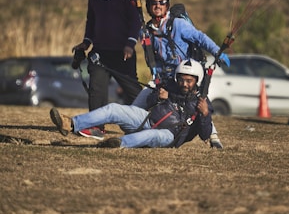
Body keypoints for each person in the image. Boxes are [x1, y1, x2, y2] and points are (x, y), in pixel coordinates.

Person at [132, 0, 230, 148]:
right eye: (153, 3)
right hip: (162, 78)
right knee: (136, 107)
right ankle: (136, 131)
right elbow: (151, 56)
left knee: (198, 103)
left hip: (183, 77)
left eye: (161, 3)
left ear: (167, 5)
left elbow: (200, 38)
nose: (158, 6)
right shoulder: (146, 30)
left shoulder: (178, 24)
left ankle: (213, 137)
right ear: (148, 7)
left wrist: (217, 52)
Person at [50, 59, 213, 149]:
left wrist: (205, 114)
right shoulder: (170, 86)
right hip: (146, 120)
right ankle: (71, 124)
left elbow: (205, 135)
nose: (184, 84)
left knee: (151, 135)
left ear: (197, 81)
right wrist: (158, 97)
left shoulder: (202, 103)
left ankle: (118, 144)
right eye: (181, 80)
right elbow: (148, 102)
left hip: (168, 136)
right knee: (114, 108)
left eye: (189, 81)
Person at [72, 0, 142, 140]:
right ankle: (96, 127)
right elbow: (91, 22)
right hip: (101, 53)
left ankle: (143, 123)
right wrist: (86, 43)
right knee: (97, 89)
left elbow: (135, 21)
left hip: (123, 53)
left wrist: (130, 43)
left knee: (132, 90)